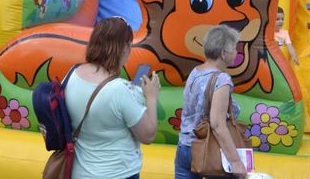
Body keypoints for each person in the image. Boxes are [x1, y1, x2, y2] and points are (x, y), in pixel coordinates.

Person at [65, 16, 160, 179]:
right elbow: (148, 135)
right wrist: (151, 97)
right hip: (117, 173)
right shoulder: (119, 90)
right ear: (122, 48)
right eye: (129, 46)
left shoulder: (71, 75)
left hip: (79, 172)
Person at [175, 25, 247, 179]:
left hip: (185, 146)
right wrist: (235, 161)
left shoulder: (196, 72)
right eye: (234, 48)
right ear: (223, 53)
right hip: (209, 149)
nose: (236, 52)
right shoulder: (222, 80)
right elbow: (217, 124)